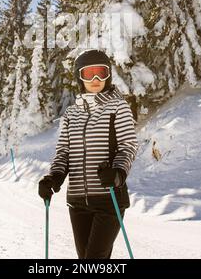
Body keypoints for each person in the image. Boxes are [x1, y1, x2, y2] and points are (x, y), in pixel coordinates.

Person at [38, 49, 138, 259]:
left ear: (108, 75)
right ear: (79, 77)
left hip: (109, 197)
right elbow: (64, 152)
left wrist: (118, 172)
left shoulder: (117, 107)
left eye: (101, 73)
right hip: (77, 201)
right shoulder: (71, 114)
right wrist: (53, 177)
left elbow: (128, 145)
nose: (95, 79)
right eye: (89, 73)